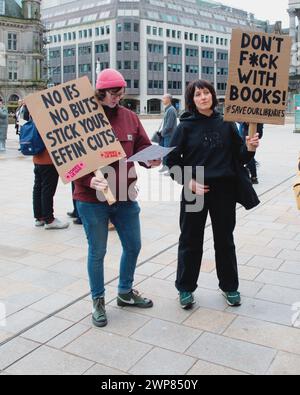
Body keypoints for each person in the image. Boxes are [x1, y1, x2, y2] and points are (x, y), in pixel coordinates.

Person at [74, 69, 161, 328]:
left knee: (133, 245)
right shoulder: (83, 119)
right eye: (111, 93)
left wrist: (151, 158)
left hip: (124, 195)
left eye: (120, 93)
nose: (116, 98)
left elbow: (142, 146)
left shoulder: (130, 117)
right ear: (100, 92)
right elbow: (68, 159)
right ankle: (98, 301)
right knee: (97, 251)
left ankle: (124, 292)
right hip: (91, 199)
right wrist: (87, 180)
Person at [166, 80, 260, 309]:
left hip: (224, 191)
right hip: (194, 190)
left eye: (206, 92)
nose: (203, 97)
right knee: (190, 240)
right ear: (192, 100)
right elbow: (170, 161)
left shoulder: (226, 123)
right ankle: (185, 289)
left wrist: (249, 148)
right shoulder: (184, 127)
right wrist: (189, 182)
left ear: (212, 96)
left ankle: (229, 286)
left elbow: (239, 158)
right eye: (197, 94)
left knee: (225, 240)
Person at [22, 106, 70, 230]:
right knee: (47, 190)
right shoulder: (47, 117)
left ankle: (39, 217)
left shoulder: (34, 115)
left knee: (38, 187)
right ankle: (49, 219)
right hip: (49, 160)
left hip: (37, 158)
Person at [159, 94, 177, 173]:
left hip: (169, 135)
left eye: (164, 98)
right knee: (164, 152)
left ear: (169, 99)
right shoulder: (168, 109)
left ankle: (170, 170)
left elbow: (169, 125)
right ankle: (165, 166)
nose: (162, 100)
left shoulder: (171, 110)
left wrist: (163, 132)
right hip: (166, 135)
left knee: (169, 153)